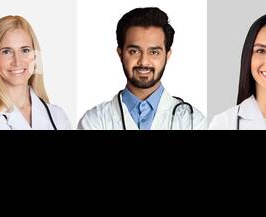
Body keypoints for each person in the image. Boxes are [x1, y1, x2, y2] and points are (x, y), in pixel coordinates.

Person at [78, 7, 206, 130]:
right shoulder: (94, 120)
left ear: (167, 56)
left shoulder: (193, 121)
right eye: (134, 51)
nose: (144, 61)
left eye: (154, 52)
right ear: (120, 54)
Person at [0, 15, 71, 130]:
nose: (17, 62)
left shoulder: (57, 117)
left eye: (25, 50)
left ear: (35, 56)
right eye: (7, 51)